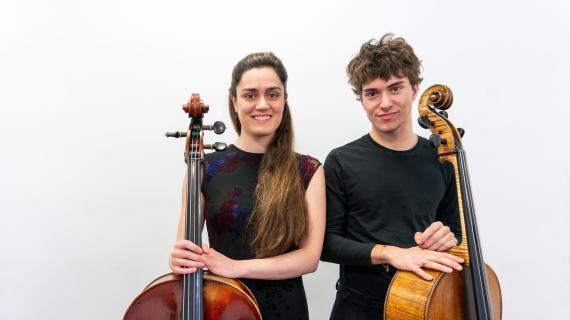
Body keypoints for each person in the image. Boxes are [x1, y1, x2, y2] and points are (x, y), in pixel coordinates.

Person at [169, 52, 326, 319]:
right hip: (221, 307)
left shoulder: (308, 170)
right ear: (235, 101)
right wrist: (178, 258)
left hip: (285, 310)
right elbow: (185, 249)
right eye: (250, 95)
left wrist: (237, 267)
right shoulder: (204, 167)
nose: (262, 104)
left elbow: (309, 259)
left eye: (273, 94)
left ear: (284, 100)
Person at [321, 34, 465, 319]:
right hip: (359, 308)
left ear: (415, 89)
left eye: (395, 88)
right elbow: (326, 243)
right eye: (372, 93)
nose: (384, 103)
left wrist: (448, 237)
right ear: (361, 100)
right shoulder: (341, 161)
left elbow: (458, 235)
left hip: (425, 304)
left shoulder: (442, 158)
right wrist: (389, 253)